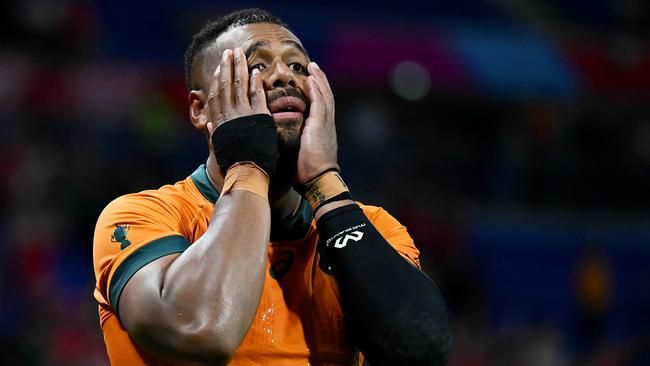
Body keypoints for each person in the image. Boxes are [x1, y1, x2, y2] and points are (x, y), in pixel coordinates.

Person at [93, 8, 452, 366]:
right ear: (201, 109)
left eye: (298, 66)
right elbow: (202, 331)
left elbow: (419, 351)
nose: (284, 76)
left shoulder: (373, 227)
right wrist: (248, 165)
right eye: (256, 66)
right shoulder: (143, 216)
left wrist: (325, 181)